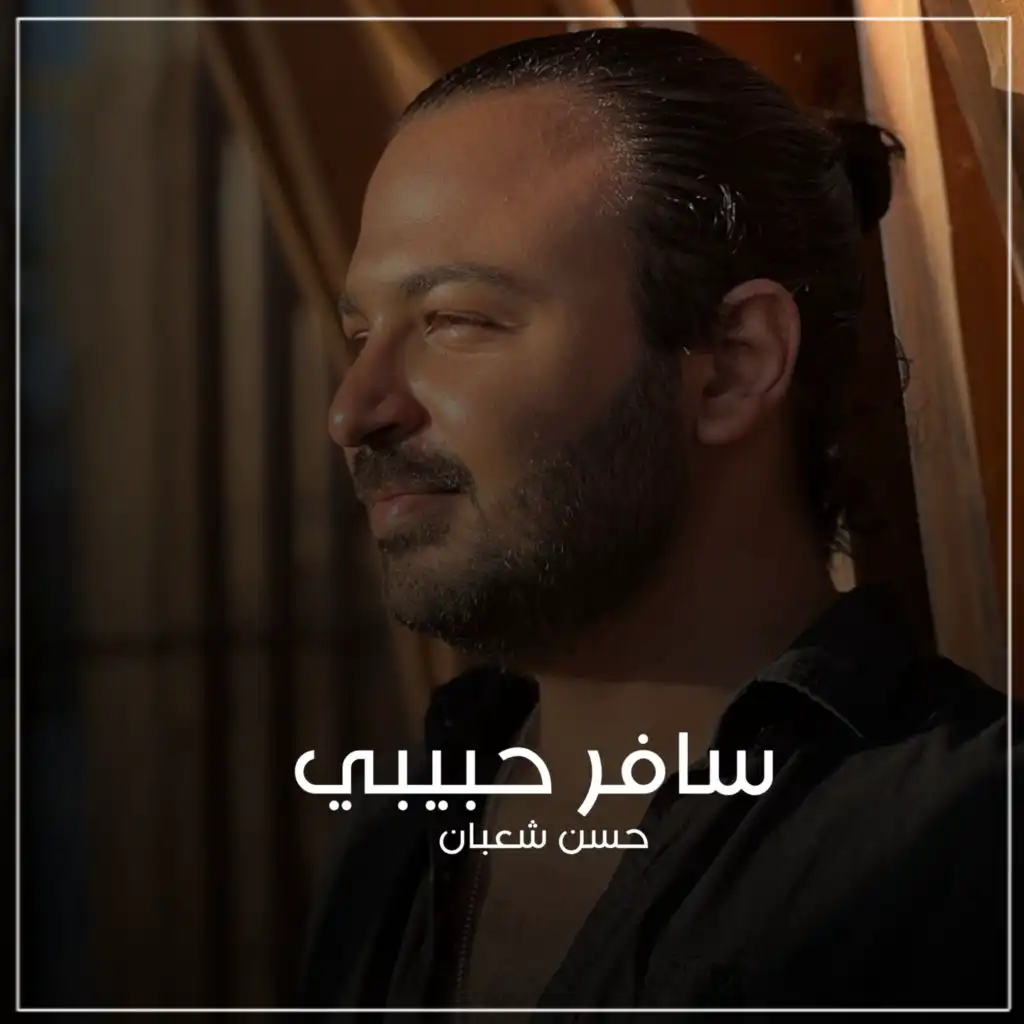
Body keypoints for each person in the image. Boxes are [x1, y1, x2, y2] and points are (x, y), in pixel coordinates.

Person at [299, 27, 1012, 1012]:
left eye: (454, 320)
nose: (353, 411)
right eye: (360, 334)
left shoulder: (972, 850)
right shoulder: (395, 844)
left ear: (733, 365)